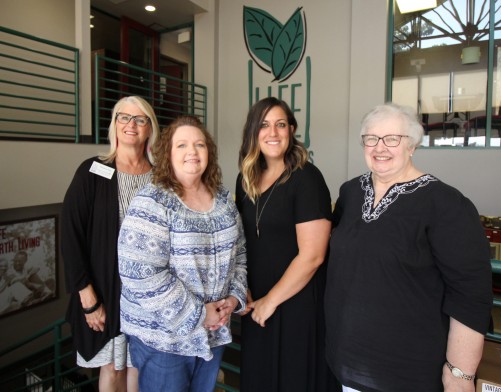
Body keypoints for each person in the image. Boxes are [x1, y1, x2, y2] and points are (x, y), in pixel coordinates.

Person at [324, 103, 493, 392]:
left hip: (409, 372)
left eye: (392, 139)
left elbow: (470, 295)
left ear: (412, 145)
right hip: (348, 364)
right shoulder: (350, 193)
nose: (380, 147)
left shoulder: (445, 204)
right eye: (371, 138)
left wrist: (459, 374)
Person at [117, 115, 247, 392]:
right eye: (182, 145)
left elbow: (240, 253)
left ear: (209, 153)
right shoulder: (152, 201)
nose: (192, 151)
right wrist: (199, 314)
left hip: (213, 333)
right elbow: (138, 273)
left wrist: (234, 298)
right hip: (164, 339)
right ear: (167, 154)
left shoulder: (223, 199)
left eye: (200, 144)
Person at [235, 97, 336, 392]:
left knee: (293, 379)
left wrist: (271, 301)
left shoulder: (307, 178)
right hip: (258, 303)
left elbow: (313, 256)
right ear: (253, 132)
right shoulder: (246, 179)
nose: (273, 132)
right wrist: (244, 286)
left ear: (291, 130)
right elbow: (242, 241)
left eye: (281, 124)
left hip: (296, 303)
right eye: (264, 125)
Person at [61, 96, 160, 392]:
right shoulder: (93, 170)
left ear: (150, 128)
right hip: (107, 294)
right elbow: (70, 234)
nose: (131, 125)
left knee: (141, 370)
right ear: (114, 125)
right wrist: (88, 298)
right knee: (113, 370)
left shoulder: (161, 176)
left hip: (151, 298)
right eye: (123, 118)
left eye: (140, 119)